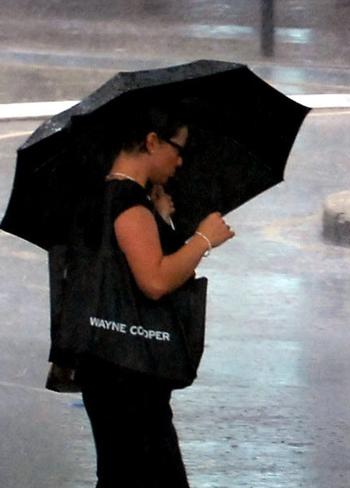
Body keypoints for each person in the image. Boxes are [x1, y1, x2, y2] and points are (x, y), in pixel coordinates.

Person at [74, 103, 235, 487]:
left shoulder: (100, 196)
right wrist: (203, 239)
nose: (180, 162)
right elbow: (156, 281)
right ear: (151, 141)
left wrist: (161, 219)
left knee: (121, 474)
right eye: (178, 149)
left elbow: (123, 270)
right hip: (131, 368)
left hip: (104, 357)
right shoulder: (128, 204)